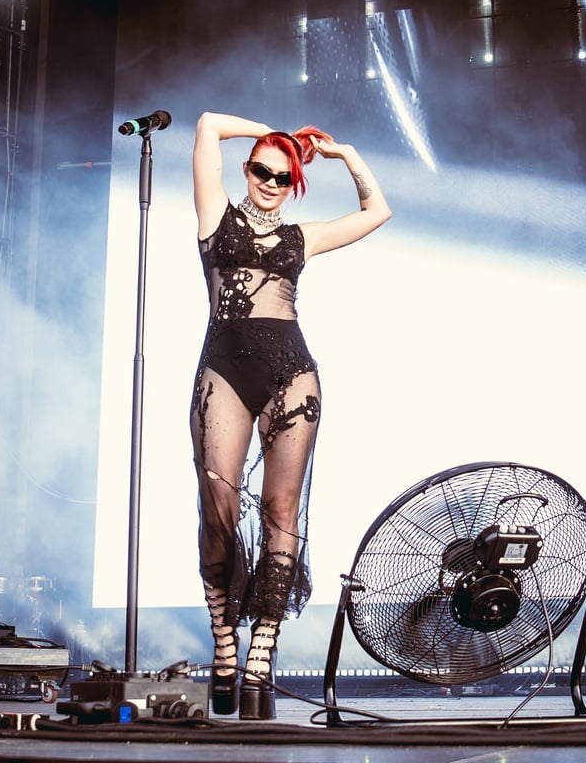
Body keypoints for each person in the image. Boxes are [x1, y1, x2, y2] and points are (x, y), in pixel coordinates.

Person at [190, 111, 391, 720]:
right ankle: (225, 644)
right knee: (218, 508)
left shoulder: (303, 237)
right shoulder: (215, 216)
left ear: (294, 183)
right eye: (262, 171)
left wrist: (345, 154)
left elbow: (377, 211)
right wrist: (277, 132)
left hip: (292, 373)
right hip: (224, 370)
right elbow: (206, 125)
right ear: (248, 168)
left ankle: (261, 655)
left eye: (283, 177)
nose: (271, 183)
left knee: (281, 509)